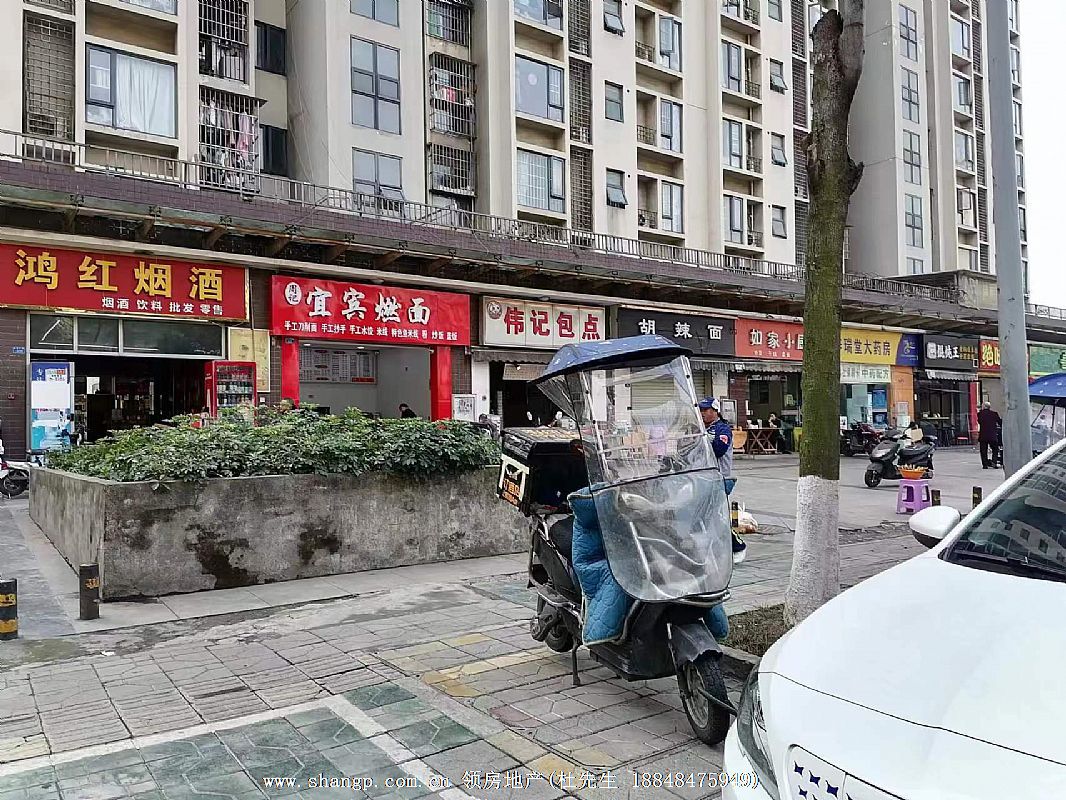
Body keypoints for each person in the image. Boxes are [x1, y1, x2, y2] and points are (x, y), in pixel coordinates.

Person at [977, 402, 1002, 469]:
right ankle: (994, 462)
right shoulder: (994, 414)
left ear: (983, 407)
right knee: (995, 449)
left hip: (983, 435)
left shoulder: (980, 414)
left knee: (983, 450)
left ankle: (985, 465)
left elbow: (979, 422)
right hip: (992, 435)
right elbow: (1000, 422)